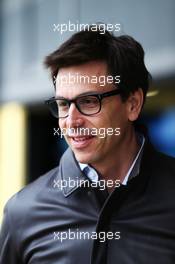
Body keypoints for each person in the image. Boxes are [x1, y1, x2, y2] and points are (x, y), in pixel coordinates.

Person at [0, 25, 175, 264]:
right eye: (63, 104)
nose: (71, 121)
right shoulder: (22, 212)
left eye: (89, 101)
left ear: (133, 104)